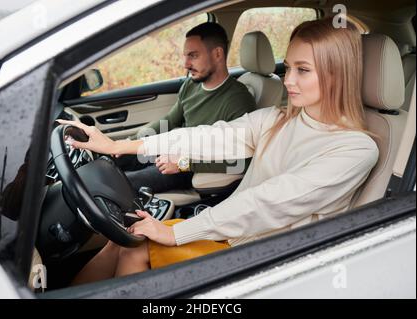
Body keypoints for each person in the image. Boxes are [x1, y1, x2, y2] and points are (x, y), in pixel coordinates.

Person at [58, 17, 379, 285]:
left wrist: (178, 233)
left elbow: (268, 202)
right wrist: (117, 146)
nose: (288, 79)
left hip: (269, 257)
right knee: (125, 236)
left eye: (302, 70)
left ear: (337, 73)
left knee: (136, 248)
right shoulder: (278, 119)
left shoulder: (355, 149)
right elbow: (206, 137)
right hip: (232, 234)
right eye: (288, 67)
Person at [114, 22, 256, 193]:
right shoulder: (191, 85)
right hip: (173, 147)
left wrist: (183, 163)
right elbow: (169, 121)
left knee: (122, 183)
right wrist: (131, 141)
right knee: (111, 161)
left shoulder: (238, 100)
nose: (185, 64)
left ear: (217, 54)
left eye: (193, 56)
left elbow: (242, 161)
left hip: (190, 166)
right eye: (185, 56)